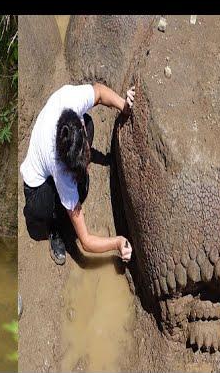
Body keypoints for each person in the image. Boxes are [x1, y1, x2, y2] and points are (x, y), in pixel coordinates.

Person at [20, 82, 134, 265]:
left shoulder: (71, 100)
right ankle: (55, 229)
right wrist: (118, 242)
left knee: (90, 123)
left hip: (61, 147)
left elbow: (99, 92)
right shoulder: (58, 167)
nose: (88, 167)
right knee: (43, 209)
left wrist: (124, 106)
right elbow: (86, 242)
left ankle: (66, 202)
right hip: (36, 185)